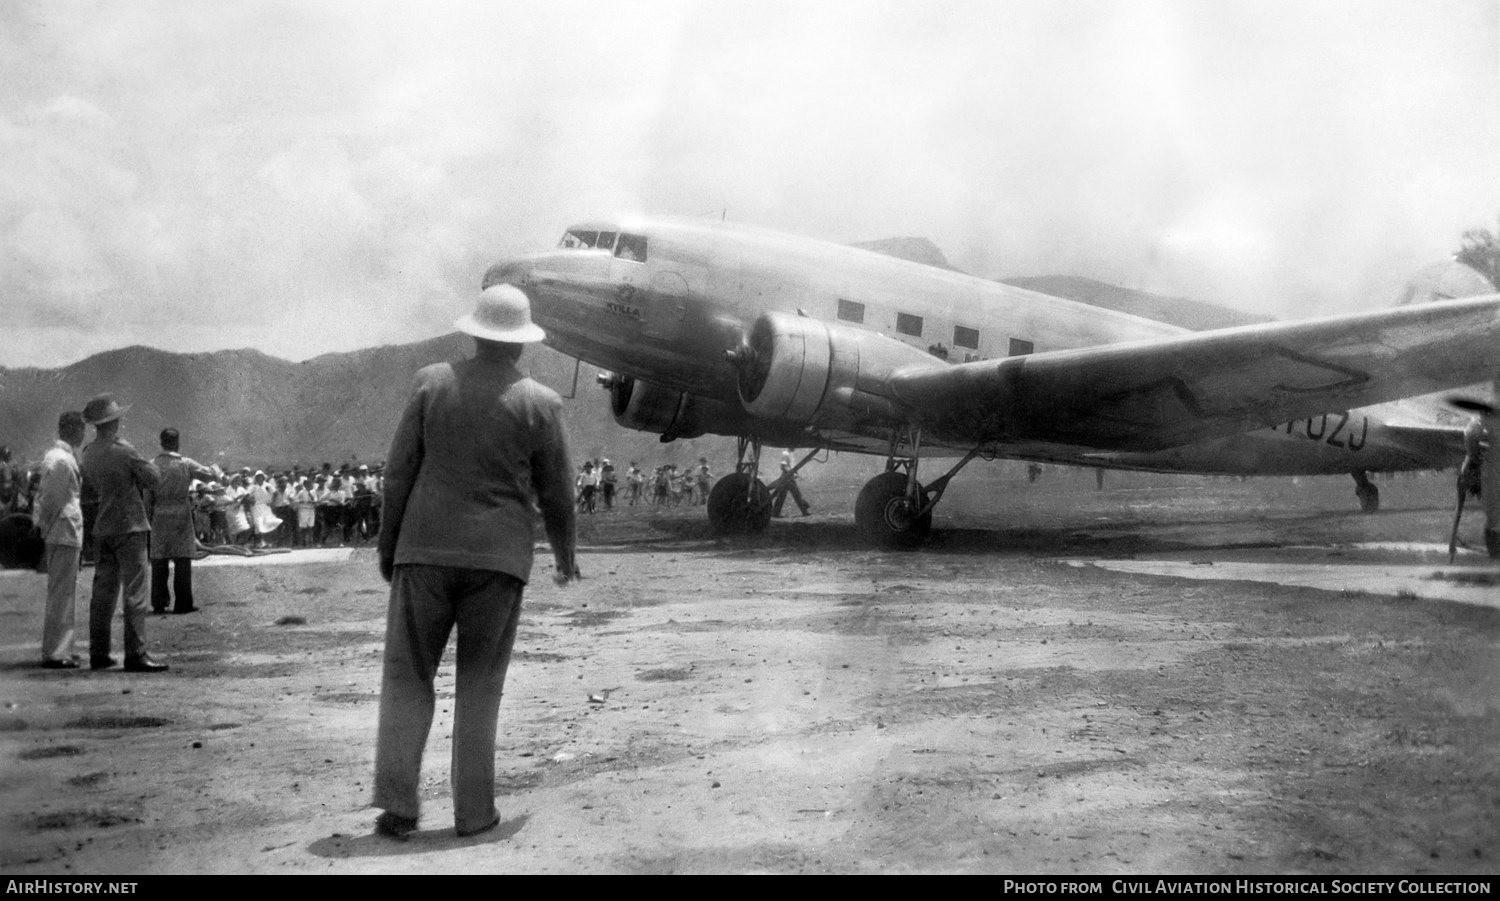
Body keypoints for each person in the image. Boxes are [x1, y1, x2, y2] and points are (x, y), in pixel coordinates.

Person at [372, 284, 578, 840]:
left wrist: (391, 546)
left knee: (408, 678)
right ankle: (473, 814)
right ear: (521, 344)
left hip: (424, 550)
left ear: (474, 332)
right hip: (499, 560)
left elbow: (398, 473)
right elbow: (558, 494)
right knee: (480, 686)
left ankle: (398, 806)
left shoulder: (431, 382)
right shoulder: (542, 401)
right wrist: (565, 556)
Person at [80, 394, 166, 673]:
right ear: (114, 422)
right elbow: (153, 479)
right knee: (136, 591)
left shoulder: (89, 453)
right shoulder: (124, 450)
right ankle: (136, 653)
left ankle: (99, 652)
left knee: (102, 594)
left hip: (102, 527)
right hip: (130, 525)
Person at [147, 428, 217, 614]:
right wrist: (215, 469)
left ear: (161, 442)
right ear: (177, 443)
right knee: (182, 559)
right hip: (180, 512)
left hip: (159, 513)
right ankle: (183, 603)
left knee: (159, 560)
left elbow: (147, 496)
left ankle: (159, 602)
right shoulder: (185, 463)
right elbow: (209, 475)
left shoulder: (151, 464)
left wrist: (149, 517)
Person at [35, 412, 86, 668]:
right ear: (74, 429)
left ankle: (62, 647)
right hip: (63, 530)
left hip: (64, 530)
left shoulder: (60, 457)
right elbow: (52, 499)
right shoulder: (61, 459)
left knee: (64, 591)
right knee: (61, 593)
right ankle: (56, 652)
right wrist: (46, 528)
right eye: (81, 428)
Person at [770, 449, 811, 517]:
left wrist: (794, 473)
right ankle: (804, 511)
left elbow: (792, 466)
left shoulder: (791, 453)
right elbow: (783, 466)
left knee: (784, 495)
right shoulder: (785, 453)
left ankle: (775, 513)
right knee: (795, 495)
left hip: (789, 477)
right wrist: (792, 473)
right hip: (786, 477)